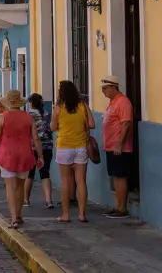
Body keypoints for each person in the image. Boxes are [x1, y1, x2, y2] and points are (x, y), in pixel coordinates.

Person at [0, 90, 43, 229]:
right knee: (20, 186)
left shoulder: (2, 117)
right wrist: (40, 156)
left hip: (7, 155)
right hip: (25, 155)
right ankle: (19, 215)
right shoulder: (28, 117)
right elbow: (36, 138)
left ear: (7, 103)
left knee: (10, 187)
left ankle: (14, 218)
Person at [50, 80, 95, 223]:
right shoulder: (83, 106)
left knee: (65, 180)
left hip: (64, 147)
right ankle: (82, 214)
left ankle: (65, 214)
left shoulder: (58, 108)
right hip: (80, 146)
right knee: (81, 181)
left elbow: (52, 127)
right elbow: (92, 124)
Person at [101, 76, 134, 218]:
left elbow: (126, 124)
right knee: (115, 176)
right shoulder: (113, 102)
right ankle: (117, 205)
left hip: (119, 148)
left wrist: (119, 144)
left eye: (105, 88)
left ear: (114, 87)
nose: (103, 92)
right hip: (110, 147)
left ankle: (122, 208)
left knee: (121, 176)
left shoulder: (123, 102)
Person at [24, 93, 54, 209]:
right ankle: (49, 200)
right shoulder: (46, 114)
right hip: (47, 147)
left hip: (32, 148)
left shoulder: (28, 115)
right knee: (45, 174)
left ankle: (26, 200)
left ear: (31, 103)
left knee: (29, 174)